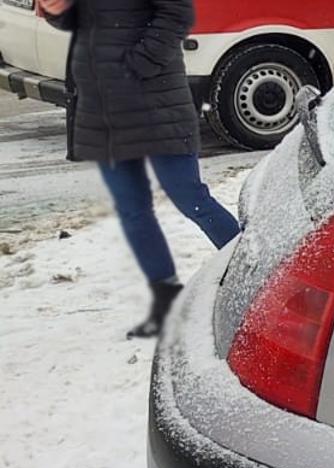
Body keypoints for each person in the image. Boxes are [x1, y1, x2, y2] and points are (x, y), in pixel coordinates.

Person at [36, 0, 240, 339]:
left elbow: (176, 14)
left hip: (158, 105)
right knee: (132, 210)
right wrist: (59, 12)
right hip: (104, 112)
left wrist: (134, 68)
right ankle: (166, 302)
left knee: (189, 196)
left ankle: (254, 270)